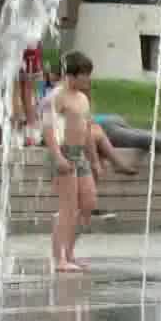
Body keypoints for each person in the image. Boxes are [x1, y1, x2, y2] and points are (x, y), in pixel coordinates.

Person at [45, 51, 100, 273]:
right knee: (67, 208)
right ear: (72, 75)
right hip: (64, 153)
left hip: (80, 156)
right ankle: (59, 259)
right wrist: (57, 156)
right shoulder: (56, 96)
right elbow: (48, 129)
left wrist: (95, 160)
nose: (88, 79)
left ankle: (69, 252)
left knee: (88, 203)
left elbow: (87, 130)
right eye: (85, 74)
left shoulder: (83, 98)